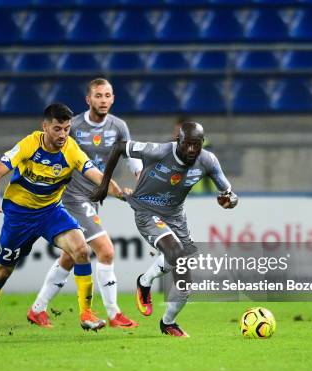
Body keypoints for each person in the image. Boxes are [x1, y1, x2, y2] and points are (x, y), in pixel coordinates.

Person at [0, 103, 125, 336]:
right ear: (45, 127)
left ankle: (86, 313)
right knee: (3, 271)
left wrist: (117, 191)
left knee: (81, 250)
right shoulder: (29, 144)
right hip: (19, 215)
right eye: (57, 129)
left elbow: (96, 174)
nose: (62, 135)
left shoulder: (71, 150)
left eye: (66, 129)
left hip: (50, 212)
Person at [90, 122, 238, 337]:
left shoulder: (208, 161)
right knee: (175, 253)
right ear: (177, 141)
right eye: (186, 144)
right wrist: (104, 185)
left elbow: (230, 194)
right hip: (146, 210)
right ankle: (146, 284)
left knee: (185, 280)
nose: (190, 150)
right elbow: (120, 147)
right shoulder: (158, 151)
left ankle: (167, 320)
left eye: (195, 145)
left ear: (201, 144)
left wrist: (229, 200)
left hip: (176, 216)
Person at [27, 78, 142, 329]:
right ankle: (113, 314)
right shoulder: (73, 126)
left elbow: (131, 156)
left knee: (71, 256)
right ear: (88, 99)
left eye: (108, 95)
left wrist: (139, 178)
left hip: (93, 198)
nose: (103, 100)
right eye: (98, 96)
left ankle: (37, 309)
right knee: (106, 250)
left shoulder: (119, 126)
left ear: (113, 98)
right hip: (70, 197)